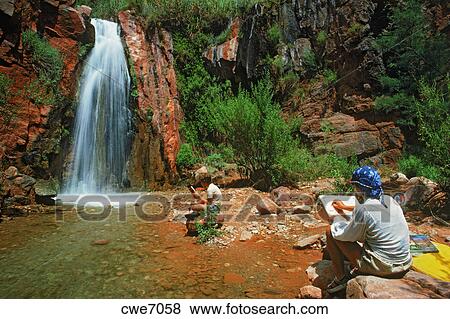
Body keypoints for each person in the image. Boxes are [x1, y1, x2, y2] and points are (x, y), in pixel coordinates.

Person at [325, 166, 412, 294]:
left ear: (360, 188)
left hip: (385, 267)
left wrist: (335, 222)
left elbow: (344, 236)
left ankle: (340, 278)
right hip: (404, 262)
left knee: (330, 232)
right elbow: (374, 215)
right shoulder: (390, 200)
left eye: (355, 187)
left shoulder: (365, 209)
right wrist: (345, 208)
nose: (354, 190)